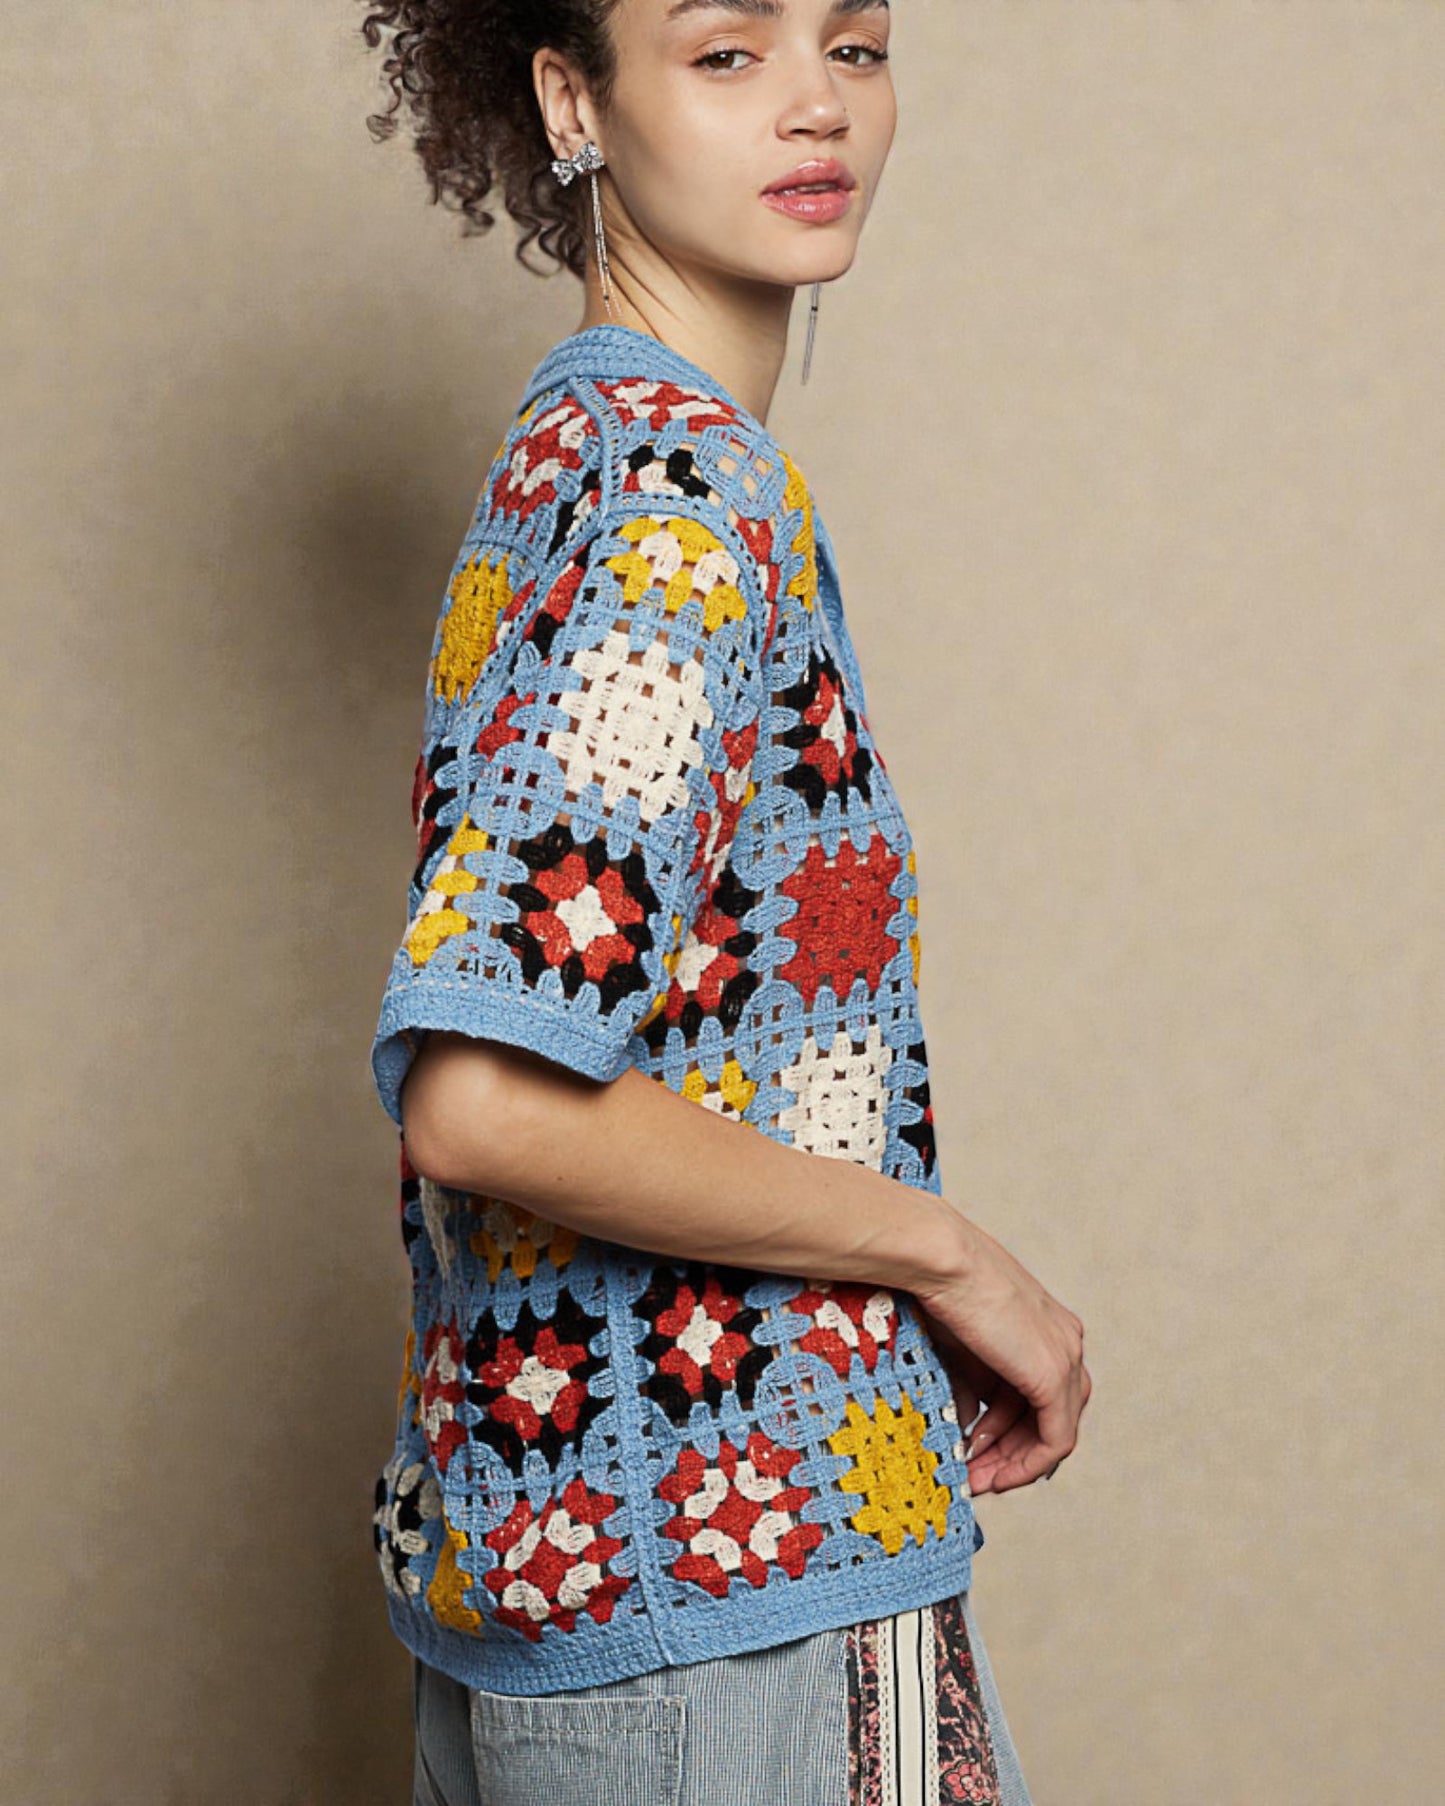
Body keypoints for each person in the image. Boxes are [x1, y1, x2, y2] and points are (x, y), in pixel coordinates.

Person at [357, 2, 1091, 1801]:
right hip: (721, 1581)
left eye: (852, 43)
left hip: (584, 1558)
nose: (813, 106)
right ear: (568, 97)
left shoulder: (575, 448)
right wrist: (943, 1249)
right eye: (723, 51)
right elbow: (488, 1094)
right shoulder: (677, 493)